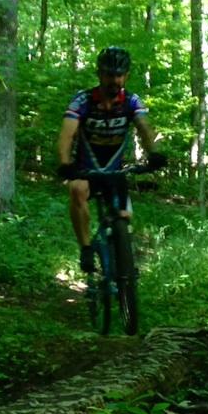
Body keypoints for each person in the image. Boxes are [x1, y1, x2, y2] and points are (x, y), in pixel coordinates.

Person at [57, 46, 167, 273]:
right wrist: (65, 164)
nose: (114, 80)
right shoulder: (82, 101)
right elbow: (67, 134)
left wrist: (154, 152)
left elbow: (145, 127)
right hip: (86, 170)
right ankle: (86, 248)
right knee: (77, 190)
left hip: (115, 172)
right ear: (99, 74)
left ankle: (124, 263)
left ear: (126, 75)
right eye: (109, 74)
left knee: (124, 218)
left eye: (119, 75)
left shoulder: (131, 101)